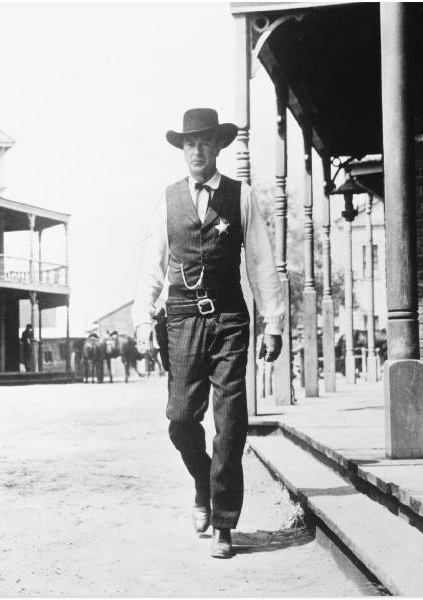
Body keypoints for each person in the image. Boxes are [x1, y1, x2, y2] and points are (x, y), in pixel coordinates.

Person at [133, 108, 284, 559]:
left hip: (230, 320)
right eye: (189, 143)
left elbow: (260, 261)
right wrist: (143, 318)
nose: (196, 151)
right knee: (180, 419)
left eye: (204, 142)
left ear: (218, 147)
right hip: (180, 319)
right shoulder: (168, 199)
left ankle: (223, 521)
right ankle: (202, 479)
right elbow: (151, 264)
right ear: (182, 150)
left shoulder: (241, 196)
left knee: (230, 423)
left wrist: (272, 322)